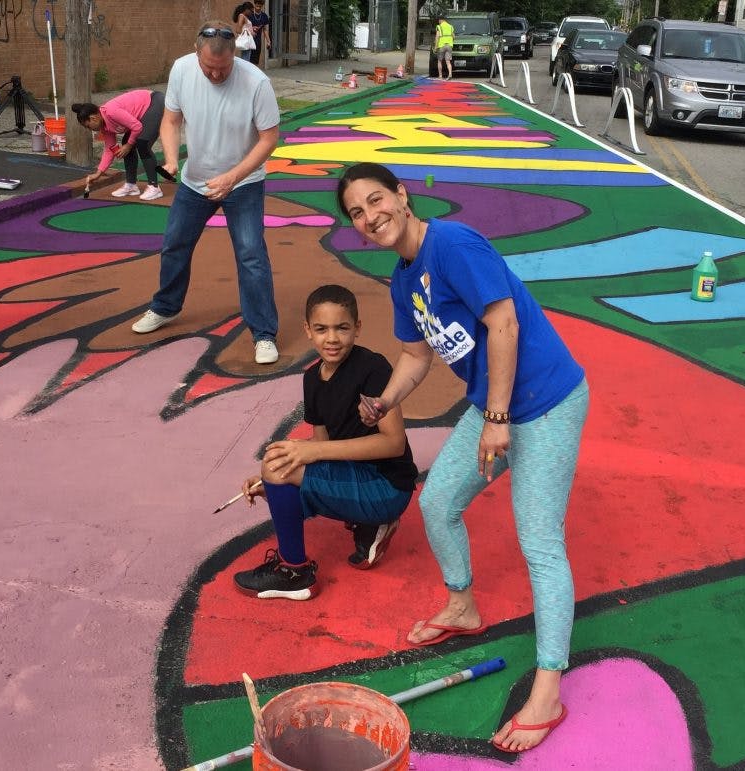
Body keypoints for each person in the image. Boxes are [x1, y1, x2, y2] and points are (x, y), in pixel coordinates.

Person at [337, 163, 589, 754]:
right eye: (357, 212)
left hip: (546, 401)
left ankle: (549, 689)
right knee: (440, 502)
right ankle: (462, 605)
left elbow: (503, 322)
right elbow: (416, 355)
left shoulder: (452, 244)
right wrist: (385, 401)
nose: (371, 216)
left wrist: (497, 419)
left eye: (377, 200)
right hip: (494, 404)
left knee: (539, 540)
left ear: (402, 196)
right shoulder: (404, 279)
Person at [233, 284, 418, 600]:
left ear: (357, 328)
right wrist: (273, 482)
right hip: (356, 478)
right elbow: (320, 449)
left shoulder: (373, 369)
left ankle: (295, 574)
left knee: (281, 467)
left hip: (387, 487)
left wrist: (303, 458)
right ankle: (369, 524)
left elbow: (394, 444)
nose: (331, 338)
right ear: (308, 330)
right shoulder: (311, 378)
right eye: (321, 329)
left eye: (342, 328)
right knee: (278, 465)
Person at [131, 22, 281, 365]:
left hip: (243, 182)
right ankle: (165, 307)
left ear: (235, 56)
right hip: (195, 181)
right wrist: (171, 158)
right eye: (208, 68)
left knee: (251, 255)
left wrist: (232, 178)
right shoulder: (182, 70)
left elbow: (269, 138)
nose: (215, 75)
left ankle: (263, 333)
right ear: (197, 53)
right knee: (174, 245)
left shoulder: (256, 83)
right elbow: (171, 120)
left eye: (223, 69)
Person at [72, 90, 165, 201]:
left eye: (88, 126)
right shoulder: (104, 126)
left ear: (93, 118)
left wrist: (129, 145)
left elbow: (137, 127)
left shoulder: (111, 112)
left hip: (155, 102)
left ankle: (154, 187)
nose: (89, 129)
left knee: (142, 143)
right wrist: (98, 174)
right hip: (142, 113)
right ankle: (131, 186)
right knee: (127, 141)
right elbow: (109, 150)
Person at [248, 0, 272, 68]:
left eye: (260, 6)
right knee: (248, 58)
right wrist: (252, 28)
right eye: (257, 5)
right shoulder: (250, 14)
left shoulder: (264, 16)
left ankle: (253, 75)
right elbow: (245, 26)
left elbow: (265, 30)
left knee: (255, 60)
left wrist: (268, 41)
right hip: (249, 39)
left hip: (258, 41)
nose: (258, 8)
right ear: (254, 4)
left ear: (262, 6)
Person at [434, 15, 455, 80]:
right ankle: (450, 74)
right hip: (449, 46)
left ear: (440, 20)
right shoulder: (450, 26)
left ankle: (440, 76)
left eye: (439, 20)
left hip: (441, 46)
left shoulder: (439, 27)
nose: (438, 22)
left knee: (439, 61)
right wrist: (450, 41)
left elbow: (437, 37)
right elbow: (454, 37)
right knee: (448, 61)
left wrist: (435, 47)